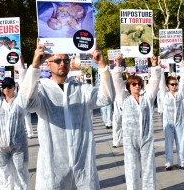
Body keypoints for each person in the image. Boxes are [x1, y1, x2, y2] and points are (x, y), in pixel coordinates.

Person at [17, 43, 115, 190]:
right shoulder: (42, 90)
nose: (62, 63)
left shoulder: (82, 89)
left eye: (66, 60)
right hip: (53, 167)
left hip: (83, 164)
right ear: (48, 64)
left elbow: (107, 98)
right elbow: (26, 102)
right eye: (57, 61)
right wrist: (35, 65)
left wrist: (102, 66)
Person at [112, 53, 161, 189]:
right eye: (134, 84)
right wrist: (118, 64)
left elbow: (155, 82)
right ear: (129, 86)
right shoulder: (124, 98)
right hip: (130, 139)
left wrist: (154, 65)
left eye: (139, 83)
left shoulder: (147, 98)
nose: (137, 86)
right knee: (131, 169)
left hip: (146, 137)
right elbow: (117, 81)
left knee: (148, 168)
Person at [0, 63, 29, 190]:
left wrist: (21, 68)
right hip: (1, 146)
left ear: (14, 87)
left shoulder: (20, 103)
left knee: (21, 173)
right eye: (4, 86)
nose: (6, 89)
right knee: (4, 174)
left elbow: (25, 88)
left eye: (9, 86)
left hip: (18, 145)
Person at [159, 61, 184, 170]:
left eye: (175, 84)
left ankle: (182, 162)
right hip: (168, 123)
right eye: (172, 84)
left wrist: (182, 67)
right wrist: (160, 69)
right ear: (168, 85)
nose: (174, 86)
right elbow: (161, 84)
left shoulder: (179, 94)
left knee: (181, 142)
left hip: (179, 122)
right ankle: (168, 162)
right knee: (169, 143)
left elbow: (183, 81)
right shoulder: (164, 95)